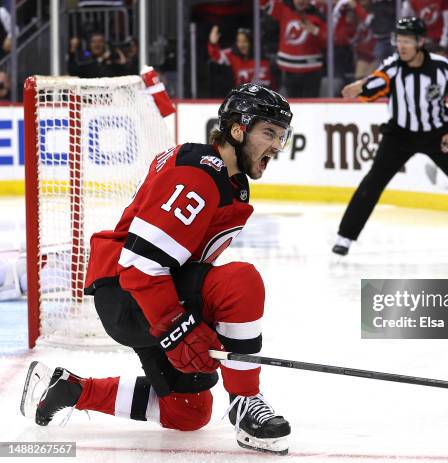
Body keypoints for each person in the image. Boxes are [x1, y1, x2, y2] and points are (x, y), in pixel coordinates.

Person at [22, 84, 295, 455]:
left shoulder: (225, 178)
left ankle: (72, 388)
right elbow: (141, 264)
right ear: (237, 129)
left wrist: (183, 324)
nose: (277, 145)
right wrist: (175, 327)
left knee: (188, 413)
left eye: (281, 136)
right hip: (133, 295)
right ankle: (246, 400)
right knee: (239, 282)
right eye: (269, 133)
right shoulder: (199, 175)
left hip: (143, 295)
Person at [332, 17, 448, 256]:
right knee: (372, 183)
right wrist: (361, 86)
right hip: (399, 135)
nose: (401, 46)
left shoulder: (441, 67)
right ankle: (345, 238)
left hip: (438, 133)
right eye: (398, 40)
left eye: (406, 41)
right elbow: (378, 82)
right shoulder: (393, 66)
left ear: (420, 42)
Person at [261, 0, 327, 97]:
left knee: (310, 107)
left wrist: (315, 31)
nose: (301, 1)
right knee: (291, 107)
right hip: (287, 70)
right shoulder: (284, 8)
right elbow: (263, 3)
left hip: (311, 71)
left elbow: (329, 41)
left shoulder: (317, 16)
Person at [208, 26, 272, 87]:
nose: (241, 45)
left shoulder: (263, 57)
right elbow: (216, 56)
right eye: (239, 41)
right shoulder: (233, 55)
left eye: (245, 41)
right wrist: (213, 44)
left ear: (251, 42)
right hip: (241, 95)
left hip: (262, 95)